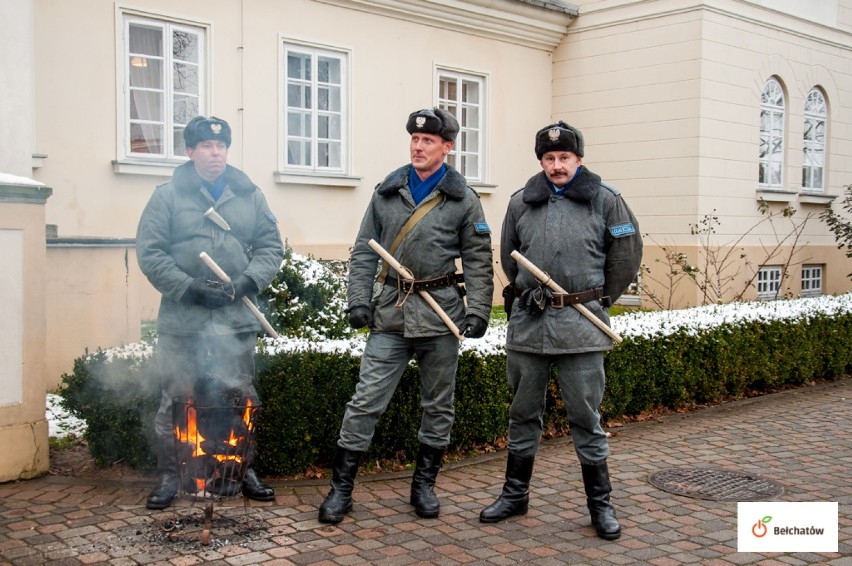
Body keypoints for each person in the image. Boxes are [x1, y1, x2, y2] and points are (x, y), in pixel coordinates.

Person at [318, 108, 494, 524]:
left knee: (438, 406)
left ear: (447, 147)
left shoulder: (463, 199)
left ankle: (423, 486)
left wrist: (479, 310)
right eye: (414, 139)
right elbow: (364, 249)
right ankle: (340, 490)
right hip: (391, 316)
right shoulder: (386, 192)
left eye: (428, 141)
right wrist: (359, 299)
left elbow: (479, 259)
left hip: (440, 316)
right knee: (364, 403)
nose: (418, 146)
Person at [480, 121, 642, 540]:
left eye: (564, 158)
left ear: (579, 159)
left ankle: (599, 506)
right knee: (521, 414)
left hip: (582, 327)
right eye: (549, 159)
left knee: (585, 417)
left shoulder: (606, 201)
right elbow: (509, 258)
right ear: (541, 161)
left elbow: (625, 258)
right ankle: (515, 496)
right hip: (530, 326)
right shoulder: (521, 202)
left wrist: (598, 298)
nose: (556, 166)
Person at [136, 115, 285, 510]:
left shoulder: (249, 194)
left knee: (240, 397)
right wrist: (189, 288)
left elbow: (272, 248)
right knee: (175, 399)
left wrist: (245, 284)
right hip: (183, 322)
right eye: (206, 146)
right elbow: (150, 253)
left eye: (221, 146)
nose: (215, 152)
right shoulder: (167, 196)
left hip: (235, 320)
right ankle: (170, 476)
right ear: (190, 152)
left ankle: (241, 469)